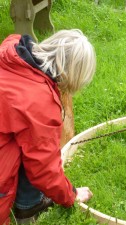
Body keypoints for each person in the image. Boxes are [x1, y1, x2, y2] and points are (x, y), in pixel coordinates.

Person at [0, 29, 96, 224]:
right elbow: (44, 170)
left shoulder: (10, 50)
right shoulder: (40, 102)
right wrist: (71, 195)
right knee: (32, 153)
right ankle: (28, 207)